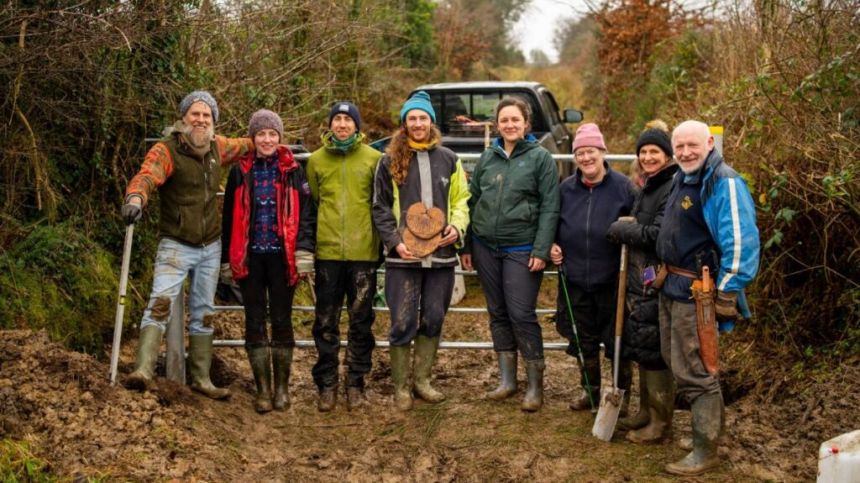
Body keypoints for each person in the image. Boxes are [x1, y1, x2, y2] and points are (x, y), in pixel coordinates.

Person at [122, 90, 253, 398]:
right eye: (195, 114)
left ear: (213, 122)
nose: (200, 120)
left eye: (207, 115)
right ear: (183, 118)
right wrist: (135, 199)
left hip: (210, 245)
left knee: (205, 310)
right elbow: (147, 176)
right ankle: (143, 369)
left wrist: (276, 145)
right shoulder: (167, 150)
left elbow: (247, 144)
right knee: (161, 301)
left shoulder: (218, 148)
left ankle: (201, 378)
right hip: (176, 244)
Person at [656, 120, 759, 475]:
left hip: (698, 293)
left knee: (697, 369)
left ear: (710, 143)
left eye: (692, 145)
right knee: (677, 361)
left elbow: (741, 240)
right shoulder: (681, 178)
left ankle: (706, 450)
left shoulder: (722, 181)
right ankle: (711, 433)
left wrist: (728, 288)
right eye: (679, 146)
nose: (685, 152)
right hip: (672, 284)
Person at [460, 97, 559, 412]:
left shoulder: (541, 159)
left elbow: (550, 206)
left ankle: (534, 385)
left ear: (526, 123)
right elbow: (472, 200)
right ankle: (507, 380)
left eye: (516, 119)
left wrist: (541, 248)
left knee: (521, 314)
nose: (510, 125)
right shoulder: (488, 157)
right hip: (486, 246)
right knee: (498, 312)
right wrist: (467, 245)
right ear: (497, 124)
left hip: (522, 248)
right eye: (504, 120)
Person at [372, 91, 470, 411]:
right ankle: (401, 386)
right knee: (402, 322)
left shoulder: (449, 159)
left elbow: (461, 201)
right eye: (412, 118)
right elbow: (380, 208)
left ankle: (423, 381)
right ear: (404, 123)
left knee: (434, 317)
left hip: (441, 257)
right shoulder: (388, 162)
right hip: (403, 258)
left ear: (431, 122)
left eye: (422, 118)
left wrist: (457, 227)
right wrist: (395, 242)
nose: (417, 123)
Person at [221, 109, 316, 413]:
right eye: (261, 134)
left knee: (282, 319)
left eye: (272, 134)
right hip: (250, 257)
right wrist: (227, 257)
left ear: (279, 137)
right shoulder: (240, 170)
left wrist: (303, 250)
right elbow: (228, 217)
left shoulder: (293, 169)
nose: (266, 139)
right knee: (254, 319)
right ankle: (262, 389)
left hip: (282, 257)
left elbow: (305, 215)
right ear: (253, 137)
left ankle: (282, 389)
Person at [550, 123, 635, 413]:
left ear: (603, 152)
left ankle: (620, 397)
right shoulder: (565, 189)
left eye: (591, 152)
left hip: (613, 280)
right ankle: (591, 391)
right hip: (575, 279)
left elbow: (637, 229)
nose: (586, 158)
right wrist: (553, 245)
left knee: (616, 342)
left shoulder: (624, 188)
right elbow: (553, 225)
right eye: (580, 153)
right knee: (583, 340)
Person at [306, 101, 383, 412]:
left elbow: (382, 203)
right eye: (336, 119)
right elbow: (312, 204)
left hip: (364, 252)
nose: (342, 125)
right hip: (328, 253)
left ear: (357, 126)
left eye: (347, 120)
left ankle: (356, 382)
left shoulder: (375, 159)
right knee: (325, 320)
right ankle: (327, 383)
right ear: (330, 125)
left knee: (361, 320)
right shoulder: (315, 161)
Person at [604, 121, 679, 442]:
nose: (648, 157)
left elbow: (657, 234)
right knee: (644, 344)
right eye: (644, 151)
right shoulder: (650, 184)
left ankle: (660, 423)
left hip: (657, 277)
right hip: (642, 276)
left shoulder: (671, 186)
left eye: (655, 151)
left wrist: (622, 230)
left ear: (667, 155)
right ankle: (647, 412)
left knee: (655, 350)